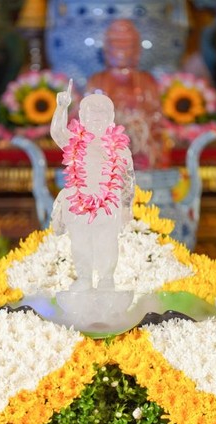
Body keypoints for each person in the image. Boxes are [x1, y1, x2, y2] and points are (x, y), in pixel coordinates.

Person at [50, 80, 135, 292]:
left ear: (111, 118)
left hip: (109, 205)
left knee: (107, 243)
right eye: (91, 112)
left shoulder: (120, 149)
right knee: (80, 243)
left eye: (102, 112)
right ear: (82, 117)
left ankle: (106, 280)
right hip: (78, 203)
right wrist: (61, 107)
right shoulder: (74, 141)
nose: (96, 115)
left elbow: (128, 180)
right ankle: (84, 278)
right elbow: (57, 132)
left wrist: (126, 207)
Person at [86, 19, 168, 170]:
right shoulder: (96, 82)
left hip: (142, 154)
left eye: (127, 44)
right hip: (106, 157)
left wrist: (139, 132)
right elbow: (86, 121)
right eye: (116, 43)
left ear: (136, 50)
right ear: (106, 49)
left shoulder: (146, 81)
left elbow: (156, 119)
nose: (121, 50)